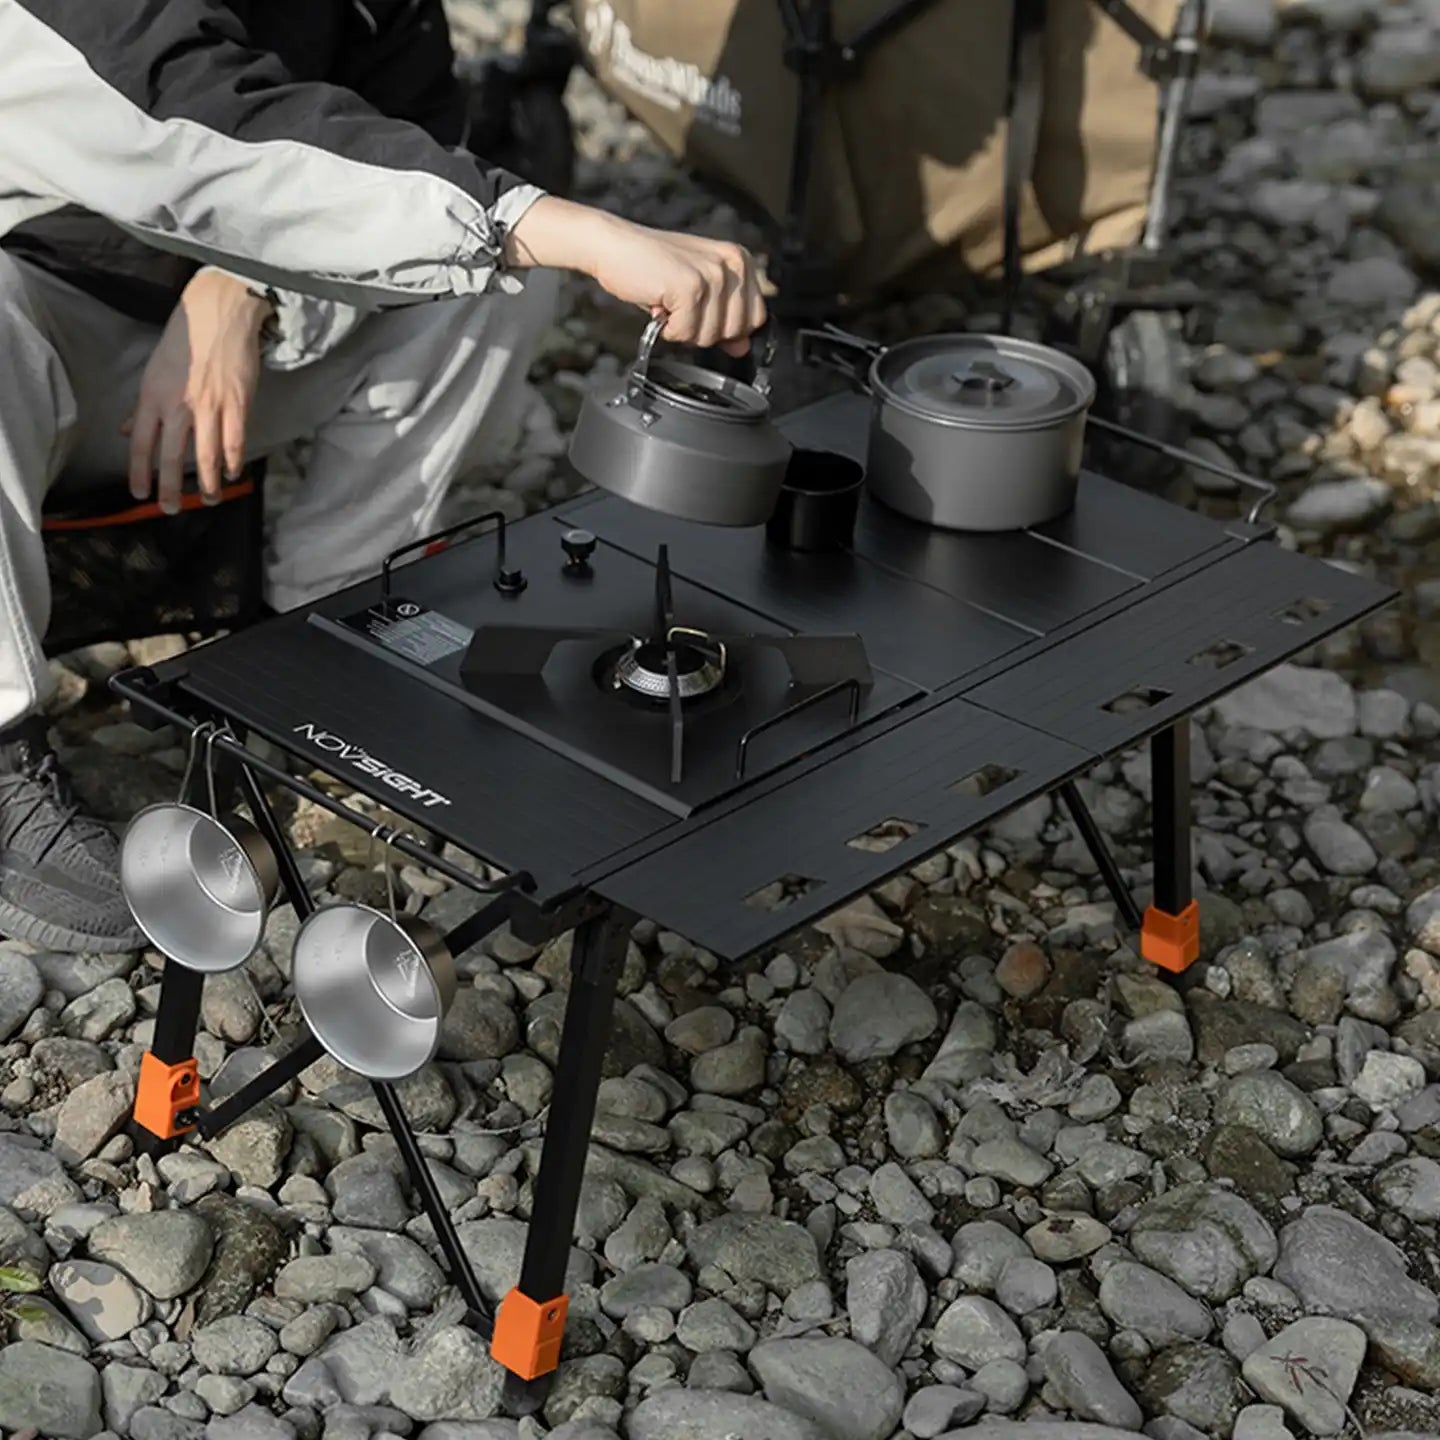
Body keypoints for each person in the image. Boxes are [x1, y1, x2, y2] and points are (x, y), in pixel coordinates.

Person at [0, 0, 766, 954]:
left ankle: (321, 630)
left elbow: (410, 148)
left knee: (489, 273)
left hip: (198, 327)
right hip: (39, 315)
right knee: (508, 226)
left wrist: (243, 290)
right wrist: (564, 224)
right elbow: (179, 116)